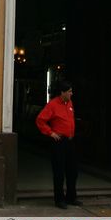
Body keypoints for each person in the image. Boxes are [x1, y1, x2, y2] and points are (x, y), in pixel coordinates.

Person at [35, 80, 83, 209]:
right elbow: (40, 120)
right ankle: (59, 199)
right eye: (69, 91)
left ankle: (71, 197)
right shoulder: (52, 105)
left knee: (72, 171)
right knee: (59, 171)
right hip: (59, 142)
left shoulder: (70, 103)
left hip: (70, 141)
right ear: (62, 92)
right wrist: (50, 133)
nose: (72, 93)